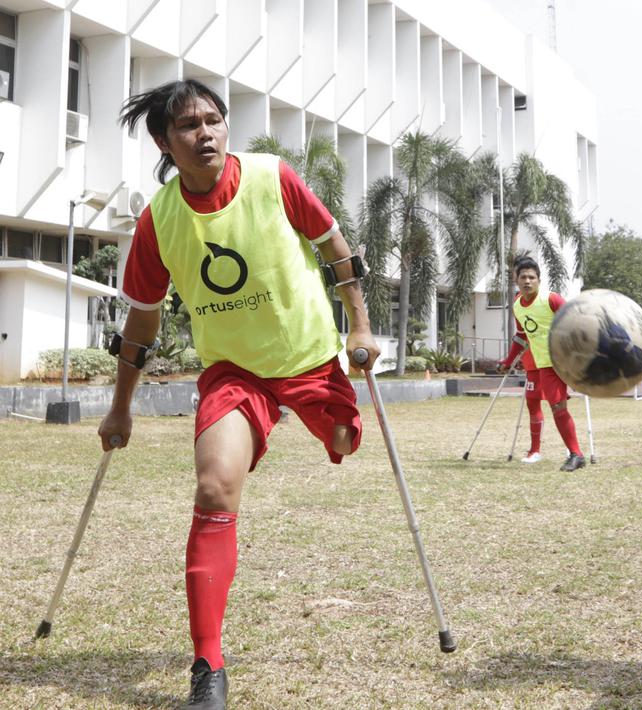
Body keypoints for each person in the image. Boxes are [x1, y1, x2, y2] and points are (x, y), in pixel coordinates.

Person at [99, 79, 379, 709]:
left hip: (307, 357)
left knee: (341, 439)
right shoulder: (158, 222)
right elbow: (141, 321)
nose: (206, 133)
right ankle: (208, 667)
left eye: (214, 120)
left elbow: (335, 249)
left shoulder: (272, 177)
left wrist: (359, 325)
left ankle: (323, 415)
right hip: (235, 371)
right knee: (213, 487)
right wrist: (120, 406)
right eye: (189, 126)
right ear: (165, 142)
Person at [499, 257, 587, 471]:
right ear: (516, 280)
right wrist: (508, 360)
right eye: (523, 277)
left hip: (562, 361)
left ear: (539, 280)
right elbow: (521, 336)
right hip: (543, 364)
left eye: (532, 277)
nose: (527, 281)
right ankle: (576, 454)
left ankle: (575, 454)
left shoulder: (552, 299)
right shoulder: (518, 306)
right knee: (556, 406)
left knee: (558, 406)